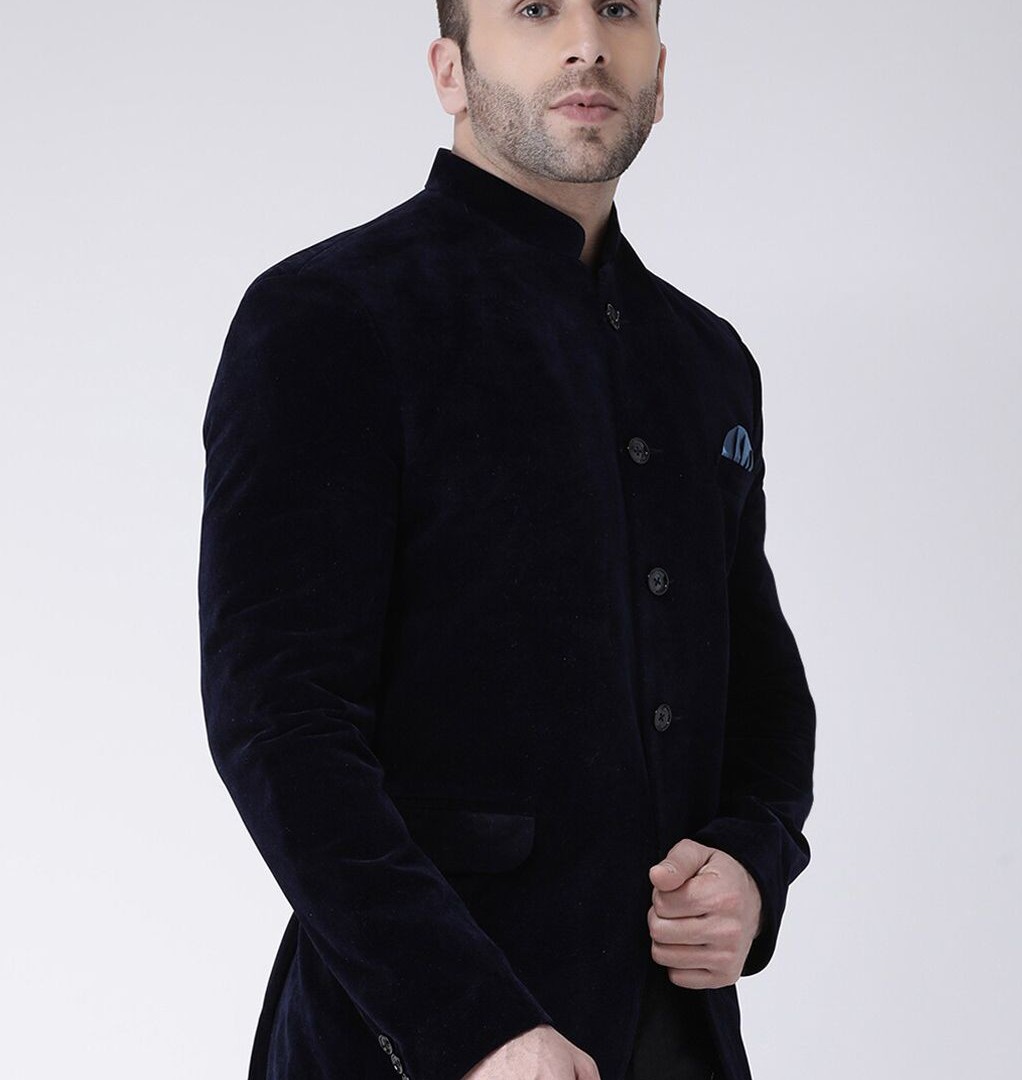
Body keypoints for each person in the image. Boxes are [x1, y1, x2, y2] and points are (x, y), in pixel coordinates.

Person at [197, 2, 817, 1078]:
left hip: (679, 1038)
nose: (588, 43)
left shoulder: (706, 359)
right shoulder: (329, 314)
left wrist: (754, 865)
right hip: (422, 1044)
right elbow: (280, 722)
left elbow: (762, 692)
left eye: (619, 10)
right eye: (534, 9)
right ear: (449, 70)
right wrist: (468, 1022)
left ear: (659, 72)